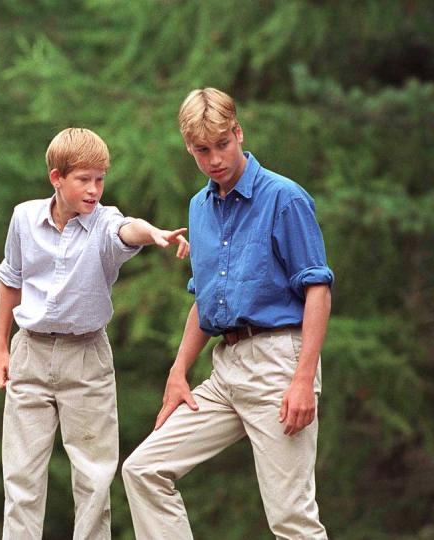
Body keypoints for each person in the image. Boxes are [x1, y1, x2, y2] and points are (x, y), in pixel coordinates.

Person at [121, 87, 333, 539]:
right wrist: (178, 371)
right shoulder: (200, 208)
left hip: (279, 365)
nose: (214, 158)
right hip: (225, 370)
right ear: (189, 148)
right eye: (202, 150)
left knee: (291, 518)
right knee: (143, 469)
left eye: (222, 144)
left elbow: (317, 288)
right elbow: (205, 296)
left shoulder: (284, 197)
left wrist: (302, 379)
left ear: (238, 133)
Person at [0, 127, 190, 539]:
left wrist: (152, 234)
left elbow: (126, 229)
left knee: (95, 479)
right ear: (57, 178)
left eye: (100, 179)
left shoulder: (104, 223)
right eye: (84, 179)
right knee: (22, 479)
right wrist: (0, 347)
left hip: (86, 358)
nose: (94, 190)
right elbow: (10, 280)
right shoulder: (24, 218)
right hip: (29, 351)